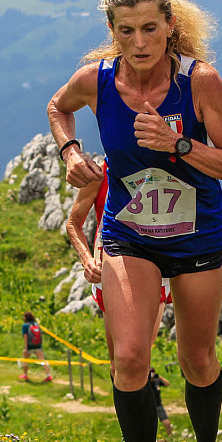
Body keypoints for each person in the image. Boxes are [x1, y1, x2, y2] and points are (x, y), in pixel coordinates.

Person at [47, 0, 222, 442]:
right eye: (126, 31)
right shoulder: (96, 80)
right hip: (129, 235)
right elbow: (58, 107)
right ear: (112, 31)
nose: (139, 43)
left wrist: (178, 144)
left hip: (196, 237)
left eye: (150, 29)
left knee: (197, 359)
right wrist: (71, 152)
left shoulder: (200, 82)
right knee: (130, 358)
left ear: (170, 26)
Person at [65, 161, 173, 383]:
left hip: (157, 271)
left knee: (139, 361)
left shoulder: (165, 168)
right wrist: (87, 260)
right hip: (113, 271)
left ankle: (148, 399)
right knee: (118, 364)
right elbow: (73, 223)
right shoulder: (100, 173)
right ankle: (130, 402)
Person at [19, 312, 53, 382]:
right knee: (42, 360)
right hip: (38, 346)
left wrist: (26, 348)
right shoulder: (36, 325)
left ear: (25, 318)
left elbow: (25, 337)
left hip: (30, 346)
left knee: (25, 359)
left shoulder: (25, 326)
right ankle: (48, 375)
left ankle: (25, 374)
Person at [147, 367, 173, 436]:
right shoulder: (145, 383)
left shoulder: (156, 381)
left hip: (158, 405)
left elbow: (167, 384)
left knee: (167, 423)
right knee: (149, 424)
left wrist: (159, 377)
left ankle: (170, 437)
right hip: (148, 406)